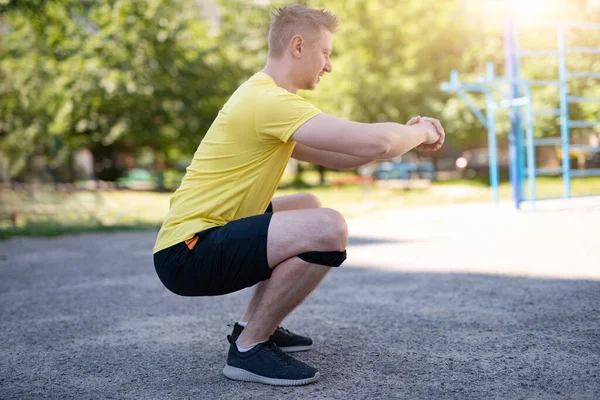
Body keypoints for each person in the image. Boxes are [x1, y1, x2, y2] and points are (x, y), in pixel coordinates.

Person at [153, 4, 445, 387]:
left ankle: (254, 326)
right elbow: (379, 141)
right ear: (297, 46)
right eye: (325, 53)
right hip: (188, 252)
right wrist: (422, 131)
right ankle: (247, 350)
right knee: (329, 228)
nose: (329, 66)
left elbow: (349, 154)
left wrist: (400, 140)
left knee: (308, 205)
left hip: (198, 241)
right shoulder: (267, 101)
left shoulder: (266, 98)